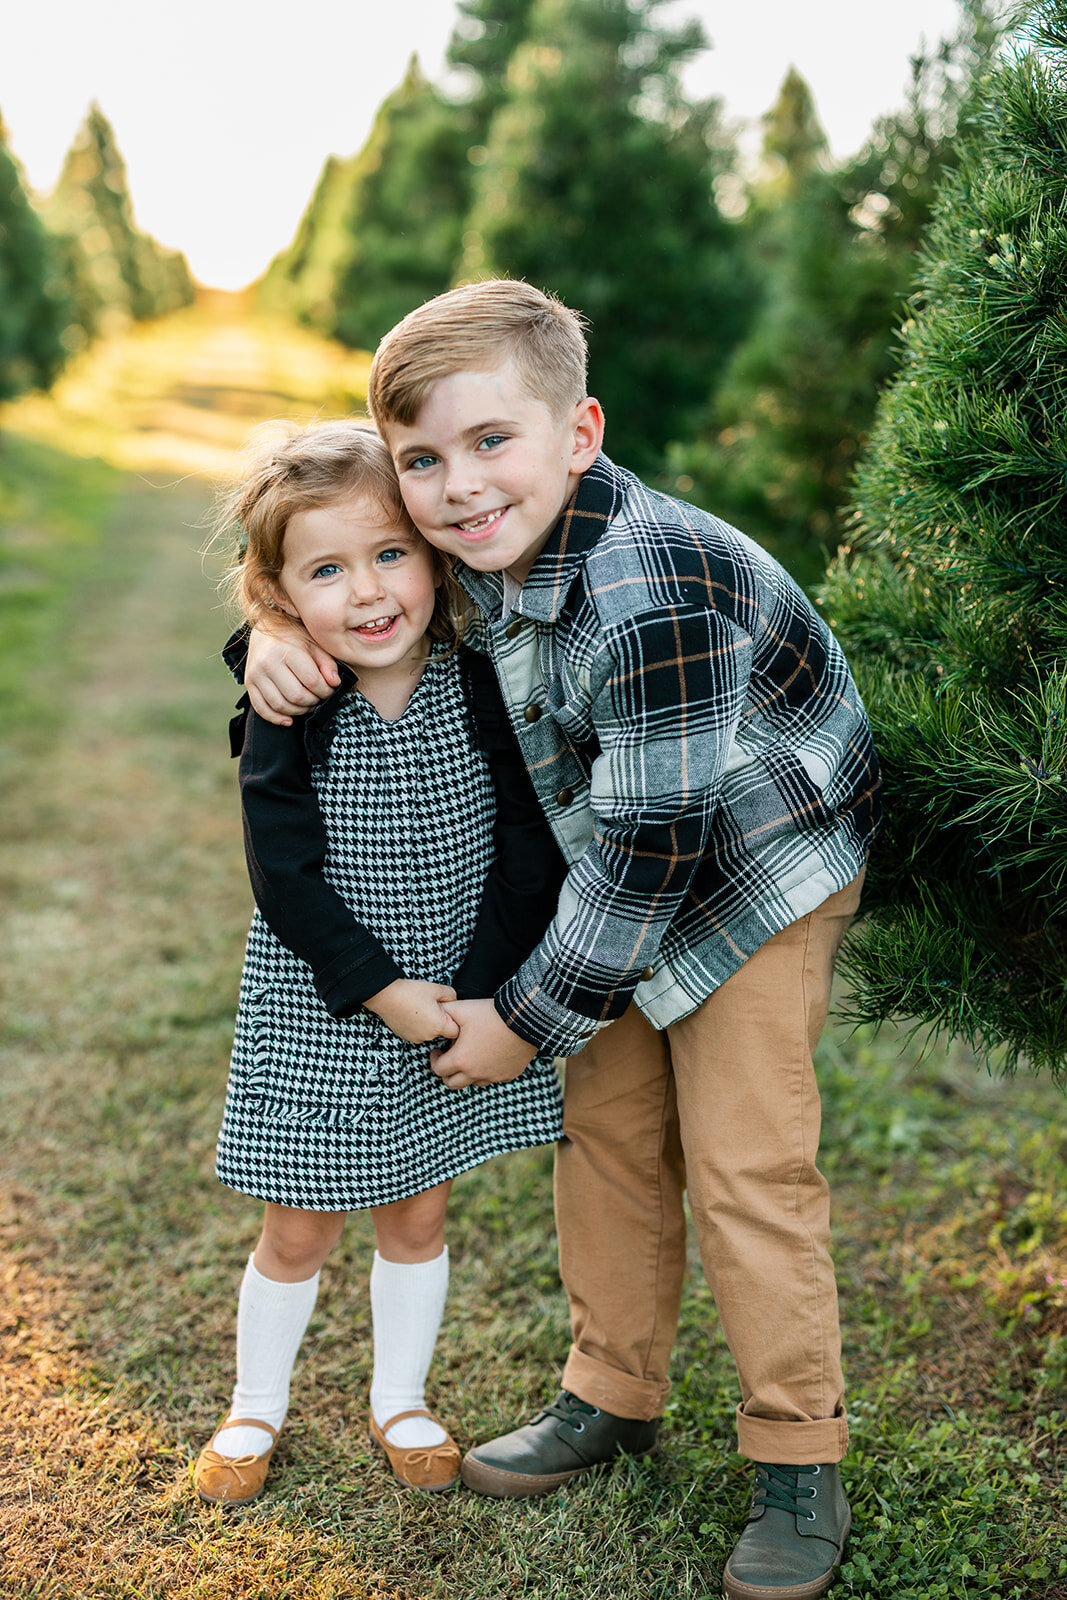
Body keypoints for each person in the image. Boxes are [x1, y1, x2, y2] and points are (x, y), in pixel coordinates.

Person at [242, 283, 882, 1600]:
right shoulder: (483, 554)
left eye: (492, 443)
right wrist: (261, 644)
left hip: (754, 871)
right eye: (423, 460)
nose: (459, 488)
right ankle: (609, 1392)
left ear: (578, 431)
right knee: (603, 1129)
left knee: (744, 1162)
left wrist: (519, 1017)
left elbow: (660, 851)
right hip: (618, 869)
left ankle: (794, 1460)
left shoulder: (646, 587)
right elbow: (366, 614)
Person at [194, 419, 565, 1506]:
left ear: (433, 551)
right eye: (326, 570)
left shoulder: (478, 675)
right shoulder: (293, 702)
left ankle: (400, 1400)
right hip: (328, 1001)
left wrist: (483, 990)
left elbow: (525, 840)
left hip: (454, 996)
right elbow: (284, 877)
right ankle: (253, 1407)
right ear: (276, 593)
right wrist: (376, 988)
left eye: (388, 553)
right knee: (297, 1222)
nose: (366, 592)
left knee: (416, 1209)